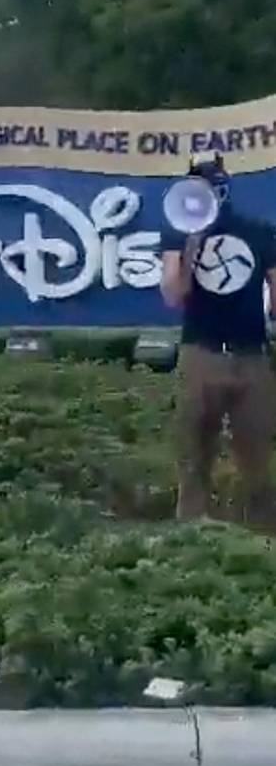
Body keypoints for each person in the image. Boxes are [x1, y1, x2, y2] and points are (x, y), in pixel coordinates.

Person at [161, 154, 276, 529]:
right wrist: (190, 247)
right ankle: (191, 538)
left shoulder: (259, 231)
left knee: (257, 457)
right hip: (201, 354)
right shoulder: (178, 235)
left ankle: (260, 541)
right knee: (194, 455)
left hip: (250, 357)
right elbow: (174, 295)